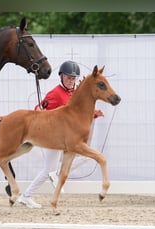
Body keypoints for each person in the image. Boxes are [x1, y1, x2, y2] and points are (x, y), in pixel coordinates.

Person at [18, 60, 104, 209]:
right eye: (68, 77)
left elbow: (78, 115)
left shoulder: (74, 93)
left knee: (81, 159)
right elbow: (40, 108)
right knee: (48, 170)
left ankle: (54, 175)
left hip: (67, 137)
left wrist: (94, 114)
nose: (71, 81)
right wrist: (39, 108)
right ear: (61, 76)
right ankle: (27, 195)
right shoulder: (56, 93)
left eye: (73, 78)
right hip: (53, 136)